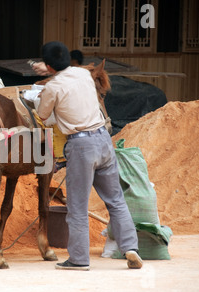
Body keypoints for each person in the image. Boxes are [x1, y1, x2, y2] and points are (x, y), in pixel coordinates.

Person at [34, 41, 142, 270]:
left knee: (77, 206)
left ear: (49, 66)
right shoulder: (83, 75)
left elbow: (42, 115)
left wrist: (42, 94)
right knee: (115, 200)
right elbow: (69, 73)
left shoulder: (53, 88)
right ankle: (131, 248)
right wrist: (50, 70)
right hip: (103, 140)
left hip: (81, 146)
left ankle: (79, 259)